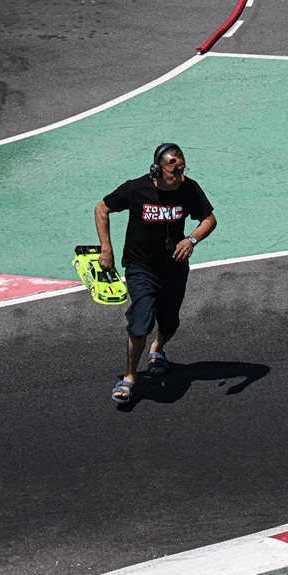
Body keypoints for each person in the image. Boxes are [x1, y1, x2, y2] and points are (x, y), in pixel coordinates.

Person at [94, 143, 217, 403]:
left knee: (170, 323)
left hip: (174, 268)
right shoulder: (137, 189)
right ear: (157, 170)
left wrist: (191, 240)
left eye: (183, 169)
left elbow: (209, 219)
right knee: (140, 323)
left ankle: (158, 349)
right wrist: (107, 248)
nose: (180, 176)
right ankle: (129, 378)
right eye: (175, 171)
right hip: (140, 267)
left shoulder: (189, 188)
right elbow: (102, 209)